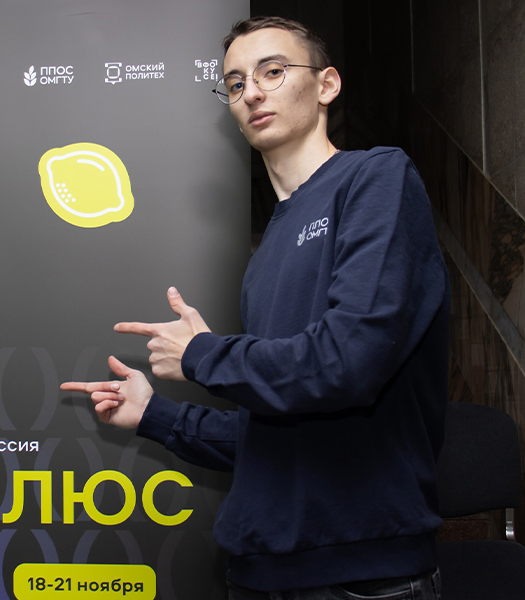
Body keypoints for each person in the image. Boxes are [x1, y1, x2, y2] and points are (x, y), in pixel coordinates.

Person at [61, 16, 448, 600]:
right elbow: (272, 435)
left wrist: (202, 354)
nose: (253, 92)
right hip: (258, 573)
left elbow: (347, 361)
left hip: (362, 576)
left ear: (326, 85)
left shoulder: (376, 178)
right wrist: (152, 414)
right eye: (236, 83)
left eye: (273, 71)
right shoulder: (265, 255)